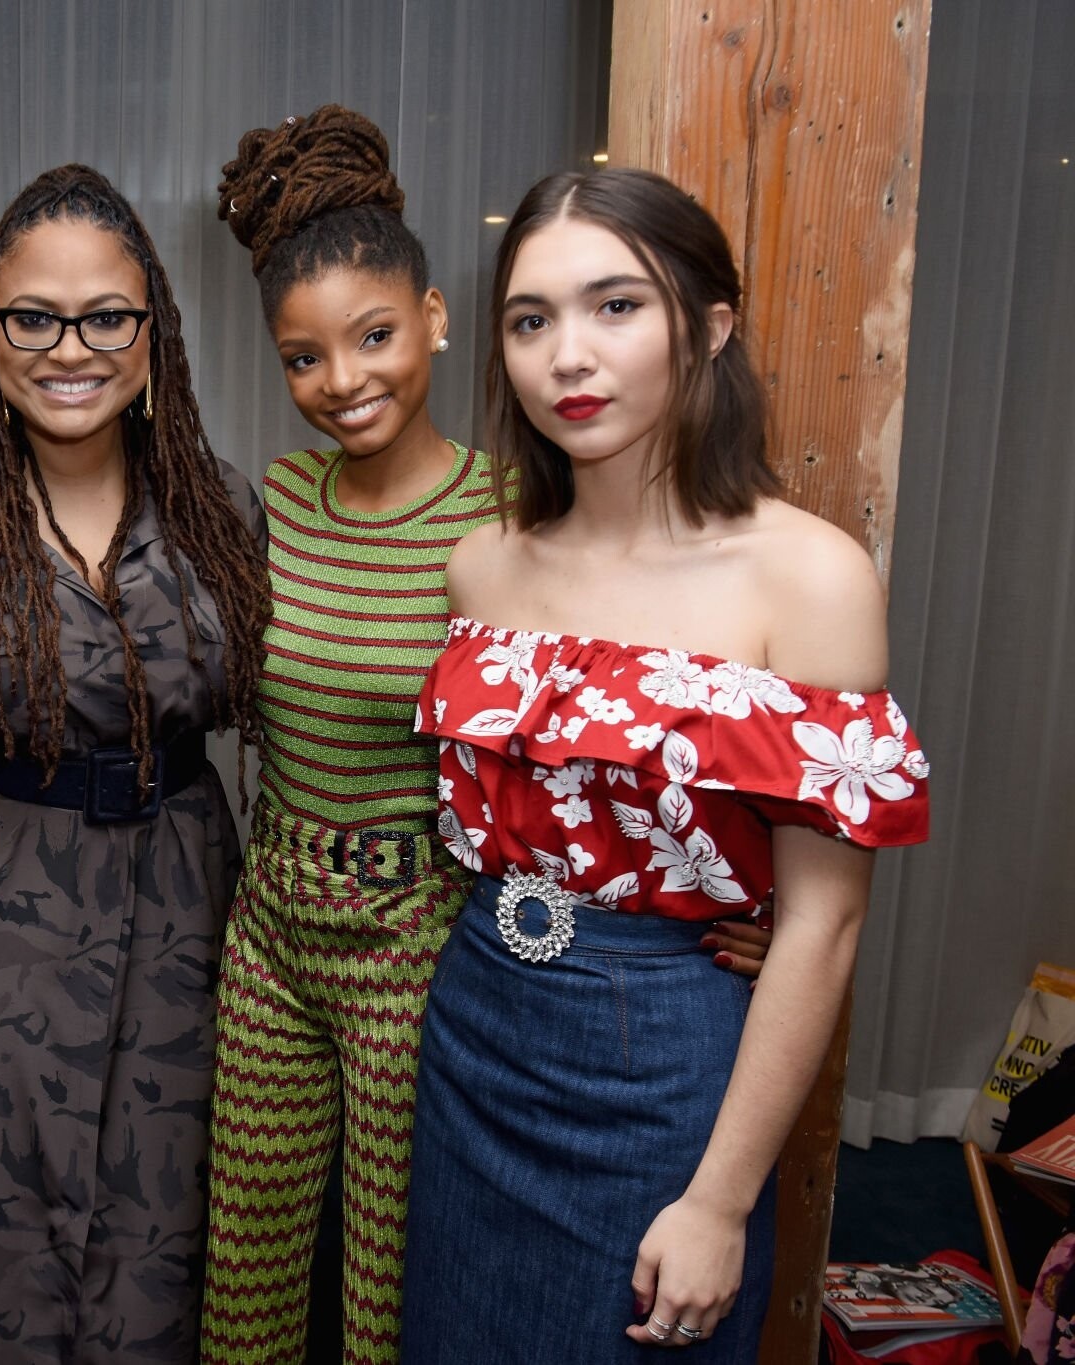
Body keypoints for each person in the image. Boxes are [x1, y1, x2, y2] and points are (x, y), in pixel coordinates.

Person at [197, 106, 769, 1365]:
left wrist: (745, 893)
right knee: (243, 1251)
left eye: (373, 337)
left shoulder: (511, 521)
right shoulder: (274, 501)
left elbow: (636, 716)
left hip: (422, 930)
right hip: (273, 917)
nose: (342, 381)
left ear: (437, 318)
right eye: (302, 359)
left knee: (392, 1272)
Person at [402, 166, 929, 1361]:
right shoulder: (481, 566)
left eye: (615, 306)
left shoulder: (808, 577)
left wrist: (720, 1202)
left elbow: (822, 924)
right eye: (529, 320)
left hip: (664, 1061)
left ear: (708, 325)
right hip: (477, 1021)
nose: (566, 356)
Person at [0, 164, 270, 1364]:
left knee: (155, 1262)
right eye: (32, 318)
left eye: (105, 318)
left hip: (181, 926)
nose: (69, 349)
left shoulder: (221, 508)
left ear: (153, 332)